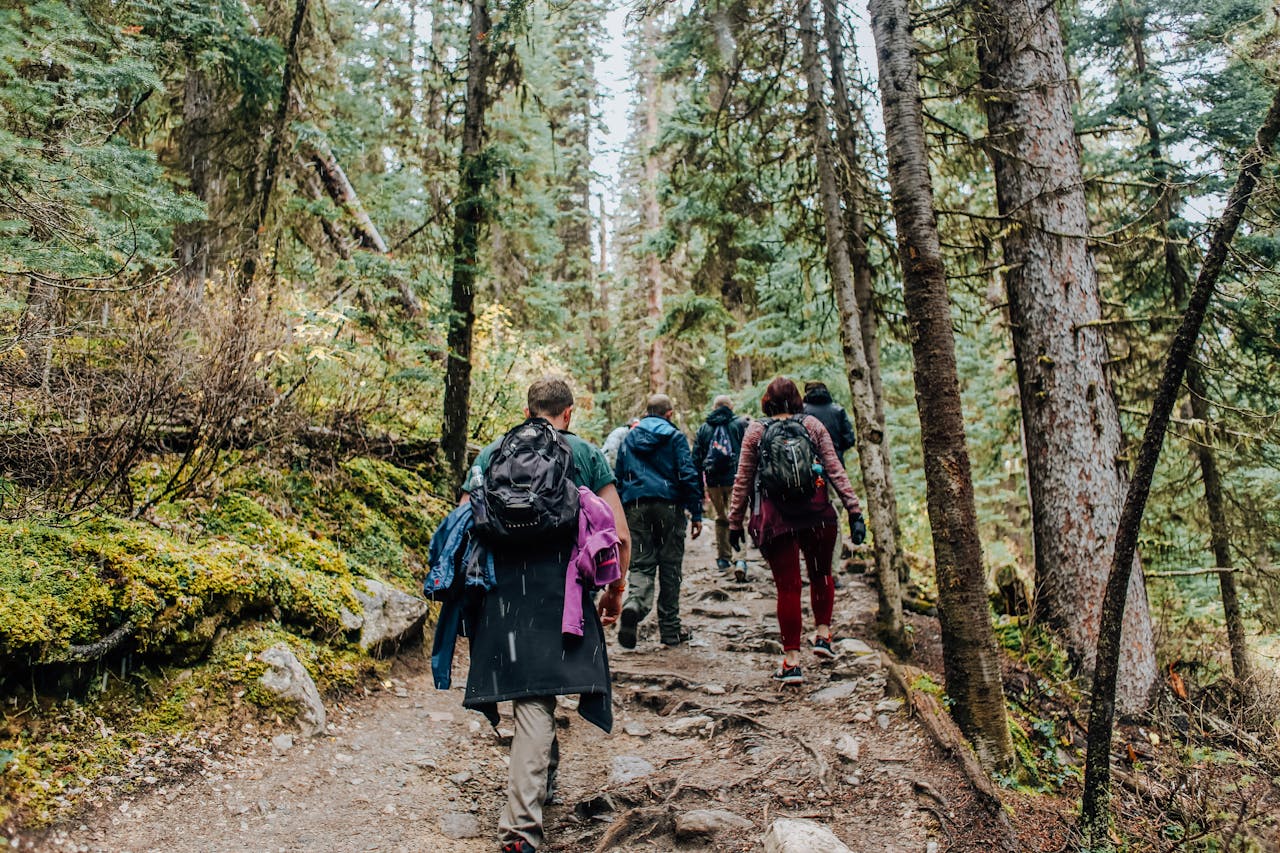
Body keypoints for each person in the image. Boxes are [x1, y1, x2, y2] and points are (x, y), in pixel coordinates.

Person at [459, 377, 632, 853]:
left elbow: (462, 521)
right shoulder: (586, 455)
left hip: (502, 591)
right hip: (562, 588)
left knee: (531, 692)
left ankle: (542, 781)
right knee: (536, 697)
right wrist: (615, 590)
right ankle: (519, 830)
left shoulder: (492, 452)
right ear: (568, 413)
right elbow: (617, 532)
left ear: (528, 409)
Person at [727, 376, 866, 685]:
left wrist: (734, 521)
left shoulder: (756, 431)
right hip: (818, 514)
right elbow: (834, 469)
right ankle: (823, 636)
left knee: (788, 587)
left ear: (767, 401)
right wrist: (854, 510)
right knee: (822, 575)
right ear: (797, 400)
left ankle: (791, 661)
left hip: (777, 520)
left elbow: (743, 480)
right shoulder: (814, 426)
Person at [614, 393, 703, 650]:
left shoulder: (630, 437)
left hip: (636, 505)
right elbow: (687, 474)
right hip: (668, 506)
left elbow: (619, 474)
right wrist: (695, 512)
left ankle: (634, 606)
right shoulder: (674, 437)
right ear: (669, 413)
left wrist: (621, 510)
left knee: (641, 565)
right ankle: (670, 631)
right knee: (670, 568)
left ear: (646, 411)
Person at [692, 395, 750, 580]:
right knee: (739, 518)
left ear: (714, 407)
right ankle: (740, 558)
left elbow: (696, 460)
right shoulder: (739, 425)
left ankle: (723, 558)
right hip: (735, 478)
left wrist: (700, 489)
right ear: (731, 407)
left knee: (721, 518)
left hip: (713, 481)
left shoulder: (704, 428)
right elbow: (748, 452)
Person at [802, 381, 857, 467]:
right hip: (835, 463)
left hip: (808, 464)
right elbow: (849, 440)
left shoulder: (800, 411)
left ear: (806, 392)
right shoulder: (838, 411)